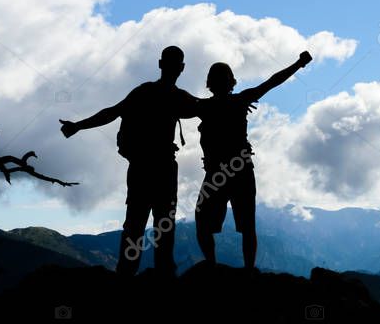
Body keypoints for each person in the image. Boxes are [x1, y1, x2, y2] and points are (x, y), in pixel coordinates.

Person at [59, 46, 198, 277]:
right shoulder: (179, 98)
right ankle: (163, 273)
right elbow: (208, 108)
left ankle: (126, 273)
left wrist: (78, 126)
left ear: (160, 63)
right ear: (181, 68)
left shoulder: (143, 92)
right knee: (164, 223)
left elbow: (112, 112)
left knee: (135, 223)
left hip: (141, 167)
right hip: (163, 167)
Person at [194, 51, 312, 271]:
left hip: (218, 173)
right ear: (231, 82)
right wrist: (299, 64)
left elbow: (272, 82)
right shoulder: (238, 101)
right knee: (245, 224)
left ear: (210, 83)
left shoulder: (204, 107)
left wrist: (298, 64)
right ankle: (247, 270)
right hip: (240, 169)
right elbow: (272, 82)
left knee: (204, 222)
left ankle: (212, 266)